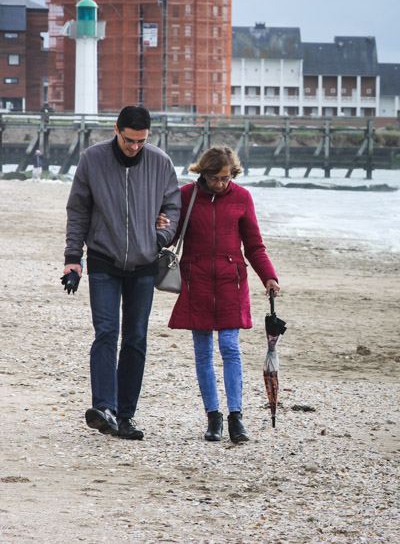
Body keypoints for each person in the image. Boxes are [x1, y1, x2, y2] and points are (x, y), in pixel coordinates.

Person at [64, 106, 181, 440]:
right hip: (103, 259)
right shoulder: (92, 159)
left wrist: (158, 236)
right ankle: (104, 409)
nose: (135, 147)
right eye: (129, 140)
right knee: (105, 332)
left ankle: (126, 415)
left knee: (136, 338)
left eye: (141, 141)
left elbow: (172, 207)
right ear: (116, 130)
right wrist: (73, 257)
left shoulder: (160, 162)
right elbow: (78, 210)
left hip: (144, 264)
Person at [167, 146, 279, 443]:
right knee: (203, 352)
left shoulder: (242, 198)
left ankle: (236, 418)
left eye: (226, 178)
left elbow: (254, 245)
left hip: (232, 283)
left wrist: (269, 277)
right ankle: (213, 417)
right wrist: (159, 226)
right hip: (196, 282)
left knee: (230, 347)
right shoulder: (186, 196)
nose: (221, 183)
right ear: (203, 173)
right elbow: (170, 237)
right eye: (216, 178)